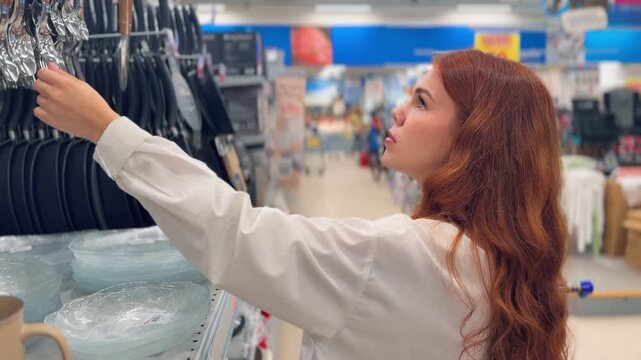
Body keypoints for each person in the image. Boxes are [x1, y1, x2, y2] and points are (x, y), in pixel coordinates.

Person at [33, 49, 568, 360]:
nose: (400, 112)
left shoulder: (409, 255)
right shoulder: (502, 258)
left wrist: (106, 129)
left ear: (474, 140)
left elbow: (236, 233)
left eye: (422, 102)